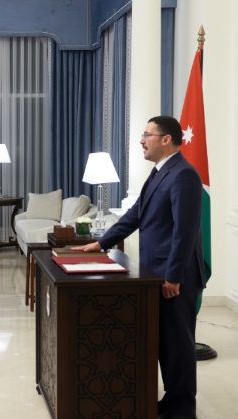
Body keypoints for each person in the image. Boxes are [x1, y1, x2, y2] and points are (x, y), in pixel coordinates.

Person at [73, 116, 205, 419]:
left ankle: (183, 410)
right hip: (156, 275)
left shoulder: (184, 175)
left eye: (147, 134)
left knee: (179, 346)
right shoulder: (160, 172)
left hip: (175, 278)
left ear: (166, 139)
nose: (142, 140)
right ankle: (171, 402)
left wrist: (173, 277)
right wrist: (100, 243)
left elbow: (184, 232)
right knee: (165, 344)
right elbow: (135, 215)